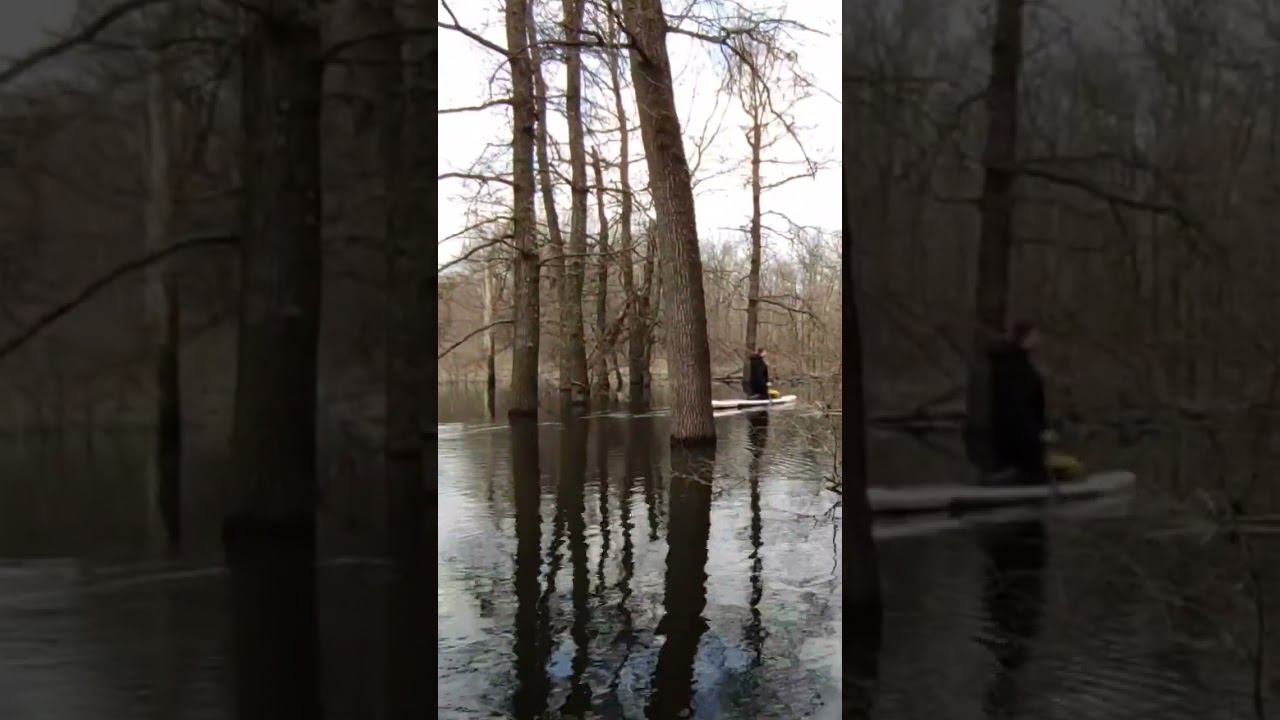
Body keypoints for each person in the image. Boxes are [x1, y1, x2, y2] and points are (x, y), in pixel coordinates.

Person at [987, 321, 1049, 486]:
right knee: (1036, 475)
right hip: (1019, 440)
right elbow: (1021, 409)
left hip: (1006, 438)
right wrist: (1035, 441)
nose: (1039, 340)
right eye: (1035, 335)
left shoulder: (1007, 364)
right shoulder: (1017, 369)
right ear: (1025, 339)